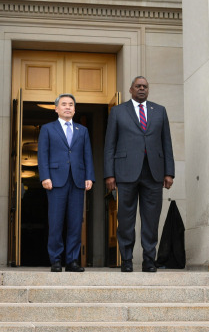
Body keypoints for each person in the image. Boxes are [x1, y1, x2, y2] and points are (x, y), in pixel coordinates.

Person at [104, 76, 174, 273]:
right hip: (125, 173)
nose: (142, 89)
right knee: (125, 219)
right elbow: (110, 145)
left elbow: (166, 143)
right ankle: (126, 260)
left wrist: (169, 172)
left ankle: (149, 260)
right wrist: (109, 175)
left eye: (145, 86)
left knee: (151, 220)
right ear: (130, 89)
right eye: (138, 86)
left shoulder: (159, 111)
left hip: (154, 173)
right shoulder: (117, 111)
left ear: (148, 90)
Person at [38, 94, 95, 272]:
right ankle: (55, 259)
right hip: (55, 181)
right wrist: (45, 176)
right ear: (56, 108)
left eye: (71, 105)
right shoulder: (48, 129)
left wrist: (89, 177)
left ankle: (72, 260)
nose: (68, 107)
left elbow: (87, 155)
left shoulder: (82, 130)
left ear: (75, 109)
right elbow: (42, 155)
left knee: (76, 222)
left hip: (77, 180)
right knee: (55, 222)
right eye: (64, 104)